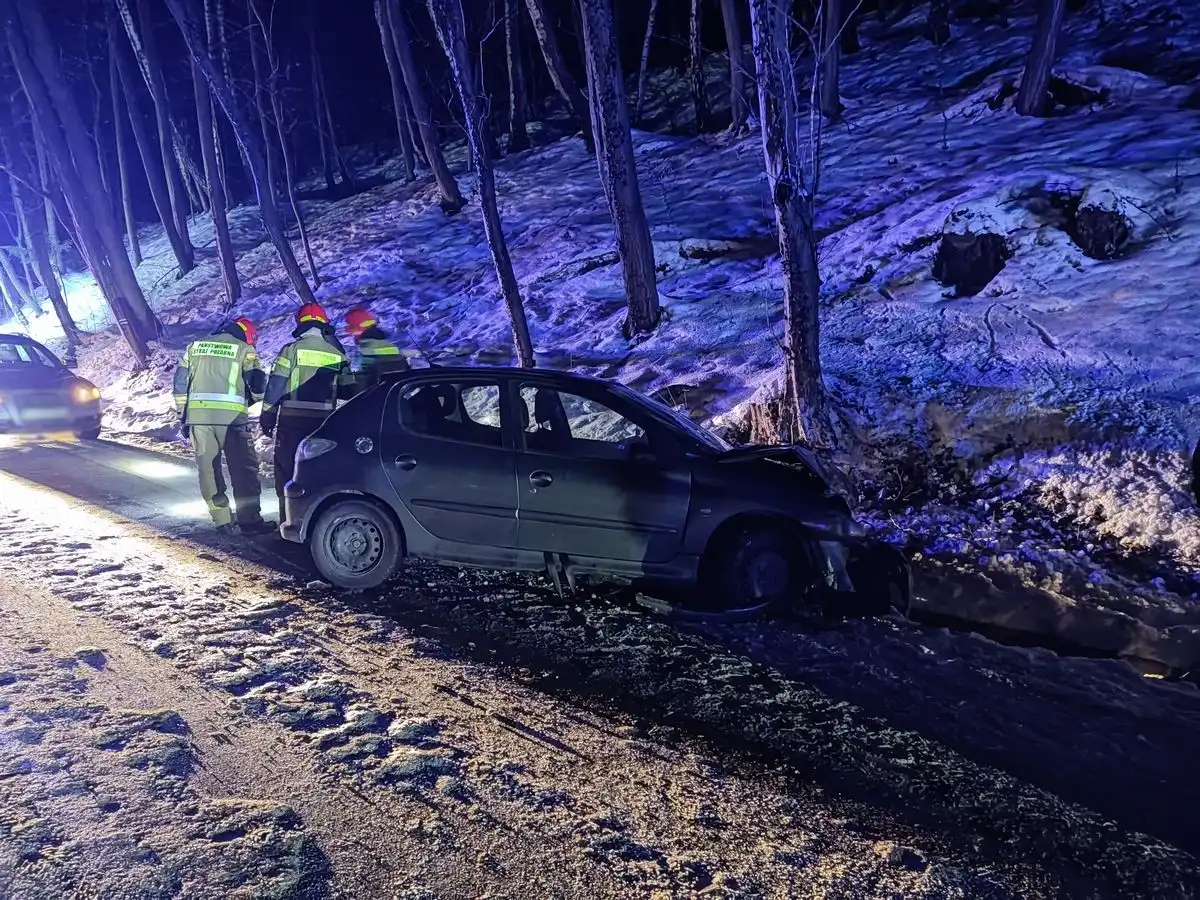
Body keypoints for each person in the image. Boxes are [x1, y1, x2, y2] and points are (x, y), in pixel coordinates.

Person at [172, 317, 272, 533]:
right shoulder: (244, 350)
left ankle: (222, 520)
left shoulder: (195, 347)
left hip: (200, 418)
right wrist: (250, 400)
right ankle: (250, 520)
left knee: (208, 469)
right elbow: (257, 384)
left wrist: (184, 414)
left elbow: (180, 383)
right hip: (233, 419)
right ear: (247, 335)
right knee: (243, 469)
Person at [261, 303, 356, 521]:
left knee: (287, 472)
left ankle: (288, 523)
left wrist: (267, 416)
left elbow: (276, 386)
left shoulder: (291, 351)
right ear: (324, 326)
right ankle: (314, 523)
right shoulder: (337, 355)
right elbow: (349, 390)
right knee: (317, 472)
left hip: (291, 423)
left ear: (300, 325)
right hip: (323, 425)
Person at [343, 306, 410, 390]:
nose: (348, 332)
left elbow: (359, 385)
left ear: (355, 328)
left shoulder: (365, 352)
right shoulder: (394, 348)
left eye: (349, 327)